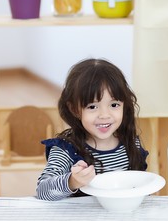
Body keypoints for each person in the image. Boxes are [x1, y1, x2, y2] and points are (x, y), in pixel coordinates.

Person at [36, 58, 148, 201]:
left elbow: (140, 187)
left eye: (114, 105)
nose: (104, 115)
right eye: (92, 107)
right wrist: (72, 181)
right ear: (74, 109)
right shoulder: (66, 149)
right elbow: (42, 191)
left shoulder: (131, 142)